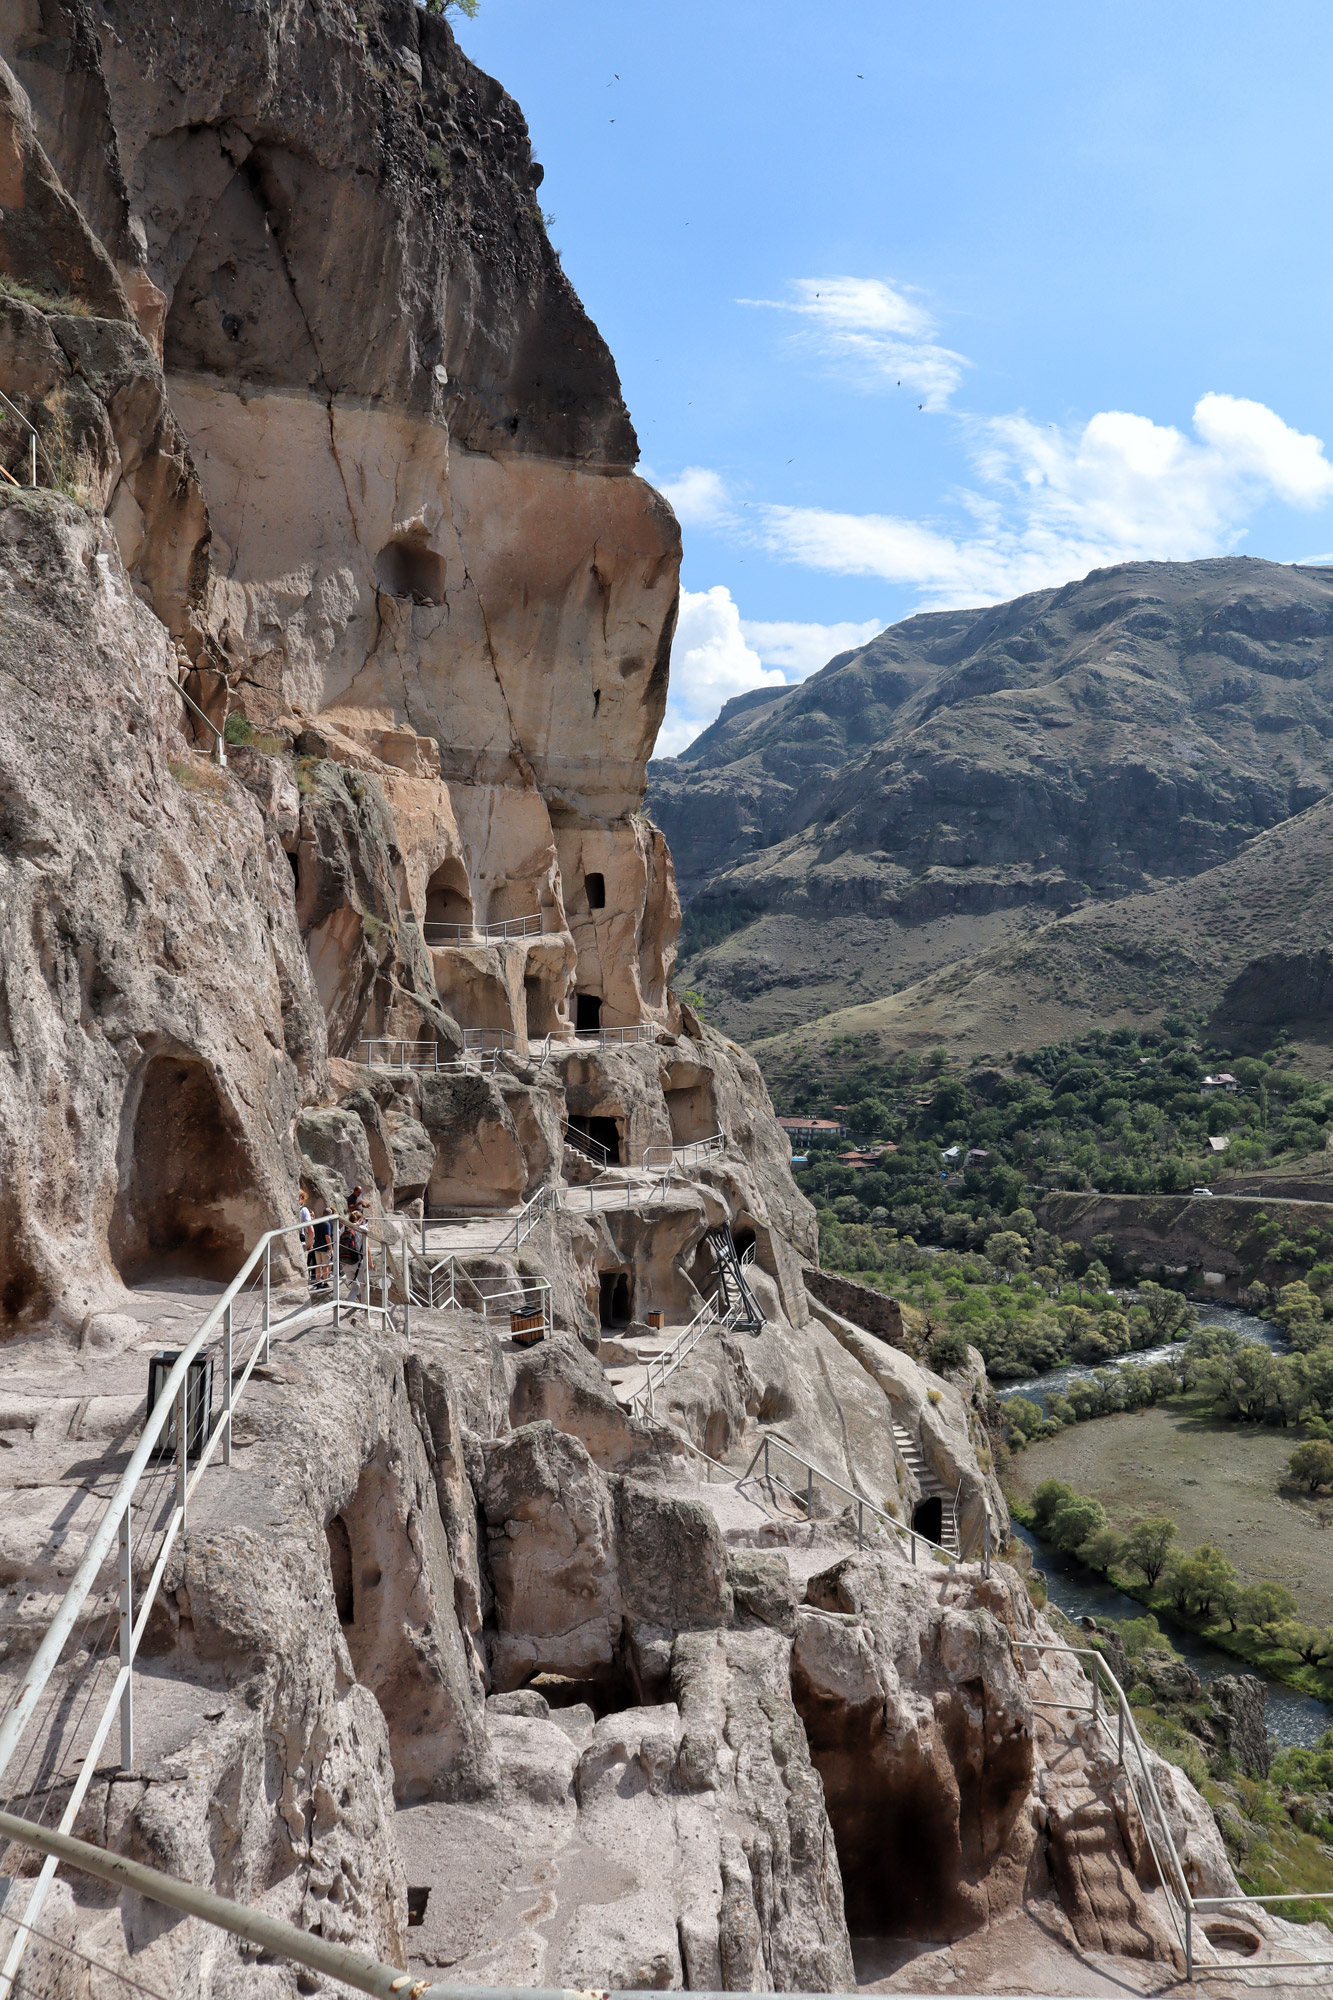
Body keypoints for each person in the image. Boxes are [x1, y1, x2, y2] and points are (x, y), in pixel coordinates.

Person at [299, 1187, 315, 1285]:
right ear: (301, 1197)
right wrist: (310, 1244)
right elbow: (311, 1230)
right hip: (300, 1242)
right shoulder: (303, 1210)